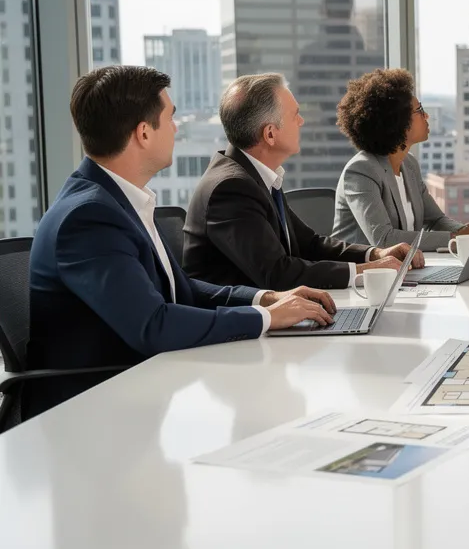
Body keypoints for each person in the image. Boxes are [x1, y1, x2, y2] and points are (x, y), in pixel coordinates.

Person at [26, 66, 337, 418]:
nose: (176, 128)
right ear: (144, 133)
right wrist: (264, 318)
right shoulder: (88, 218)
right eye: (170, 118)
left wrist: (265, 298)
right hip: (93, 413)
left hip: (145, 388)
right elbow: (153, 324)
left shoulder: (117, 200)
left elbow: (178, 289)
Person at [183, 73, 423, 291]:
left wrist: (375, 254)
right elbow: (277, 273)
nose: (302, 122)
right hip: (240, 330)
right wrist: (363, 272)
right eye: (295, 115)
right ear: (270, 134)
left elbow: (309, 244)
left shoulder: (255, 176)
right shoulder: (232, 188)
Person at [332, 67, 469, 248]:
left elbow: (435, 220)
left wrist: (465, 232)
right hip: (367, 273)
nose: (426, 116)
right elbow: (384, 239)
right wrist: (454, 238)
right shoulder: (361, 171)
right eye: (419, 110)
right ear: (397, 121)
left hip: (405, 268)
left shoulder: (409, 164)